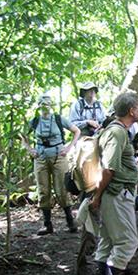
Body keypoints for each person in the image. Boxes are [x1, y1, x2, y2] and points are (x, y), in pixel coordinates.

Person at [90, 92, 138, 275]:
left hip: (115, 193)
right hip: (116, 194)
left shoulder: (117, 131)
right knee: (128, 242)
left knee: (109, 241)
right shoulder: (118, 132)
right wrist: (97, 196)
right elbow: (109, 168)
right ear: (131, 111)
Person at [22, 94, 81, 235]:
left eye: (47, 103)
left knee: (62, 188)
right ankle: (47, 224)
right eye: (42, 104)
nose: (45, 106)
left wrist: (68, 148)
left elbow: (76, 131)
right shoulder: (35, 121)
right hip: (40, 157)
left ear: (51, 105)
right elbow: (22, 136)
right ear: (39, 106)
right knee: (43, 189)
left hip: (58, 157)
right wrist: (30, 149)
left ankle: (70, 222)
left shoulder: (59, 119)